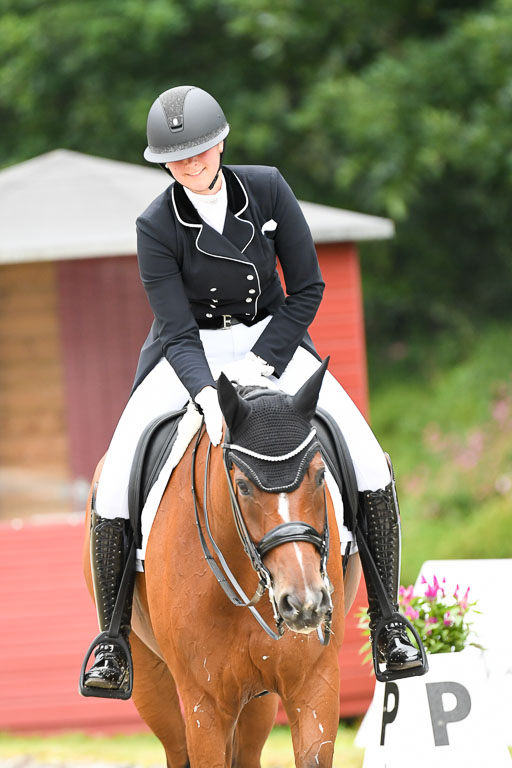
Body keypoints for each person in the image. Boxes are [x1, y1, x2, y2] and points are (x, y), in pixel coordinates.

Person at [81, 85, 423, 697]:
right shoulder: (156, 224)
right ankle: (112, 640)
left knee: (369, 458)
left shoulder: (266, 188)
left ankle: (389, 624)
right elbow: (175, 326)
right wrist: (208, 395)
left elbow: (309, 290)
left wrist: (265, 363)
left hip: (276, 339)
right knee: (116, 474)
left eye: (201, 150)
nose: (191, 164)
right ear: (163, 162)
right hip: (188, 353)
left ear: (221, 142)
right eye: (176, 158)